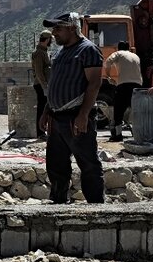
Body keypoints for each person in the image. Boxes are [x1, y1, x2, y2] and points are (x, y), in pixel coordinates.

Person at [39, 12, 105, 204]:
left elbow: (94, 84)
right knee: (56, 164)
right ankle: (58, 202)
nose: (54, 33)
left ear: (72, 28)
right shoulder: (61, 52)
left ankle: (96, 205)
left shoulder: (87, 50)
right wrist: (46, 112)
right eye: (53, 29)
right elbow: (54, 85)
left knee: (88, 163)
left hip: (76, 117)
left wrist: (83, 115)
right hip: (56, 118)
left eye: (58, 28)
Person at [103, 40, 141, 142]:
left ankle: (118, 135)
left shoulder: (118, 53)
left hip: (124, 85)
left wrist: (108, 76)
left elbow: (107, 63)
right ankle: (138, 135)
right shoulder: (135, 56)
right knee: (135, 111)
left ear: (118, 48)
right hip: (137, 86)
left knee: (118, 111)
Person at [31, 30, 52, 139]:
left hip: (43, 84)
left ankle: (44, 131)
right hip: (40, 85)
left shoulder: (43, 51)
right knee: (42, 109)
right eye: (50, 40)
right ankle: (40, 133)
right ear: (47, 39)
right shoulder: (39, 53)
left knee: (45, 108)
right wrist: (45, 86)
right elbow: (39, 72)